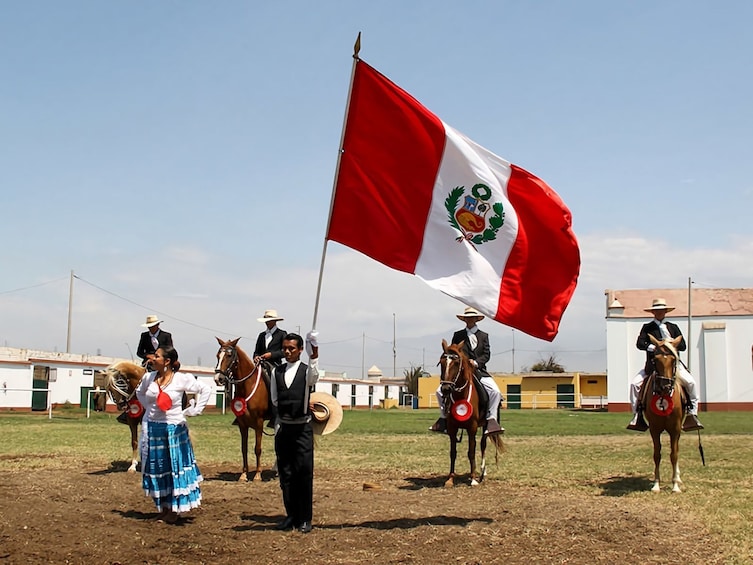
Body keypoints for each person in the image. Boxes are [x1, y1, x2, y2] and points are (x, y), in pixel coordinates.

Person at [135, 345, 212, 524]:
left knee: (173, 468)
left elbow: (205, 389)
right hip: (153, 429)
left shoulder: (181, 379)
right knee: (158, 467)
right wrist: (150, 410)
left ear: (167, 361)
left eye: (157, 356)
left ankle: (174, 510)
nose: (153, 358)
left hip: (174, 430)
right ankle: (163, 507)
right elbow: (139, 393)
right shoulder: (148, 378)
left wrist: (195, 410)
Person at [627, 298, 703, 432]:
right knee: (634, 384)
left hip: (673, 365)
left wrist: (669, 345)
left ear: (665, 311)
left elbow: (683, 346)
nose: (659, 313)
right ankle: (637, 415)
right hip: (653, 365)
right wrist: (654, 348)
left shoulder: (673, 327)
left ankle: (692, 413)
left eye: (661, 310)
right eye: (656, 311)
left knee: (691, 383)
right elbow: (640, 343)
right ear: (653, 312)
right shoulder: (647, 327)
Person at [271, 331, 319, 534]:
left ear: (300, 350)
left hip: (302, 430)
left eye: (292, 348)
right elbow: (274, 399)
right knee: (286, 474)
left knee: (304, 474)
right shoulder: (276, 372)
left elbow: (314, 375)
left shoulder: (307, 372)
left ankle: (305, 519)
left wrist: (314, 351)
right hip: (284, 429)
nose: (288, 351)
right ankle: (290, 515)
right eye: (285, 348)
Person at [430, 306, 503, 435]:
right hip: (461, 372)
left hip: (479, 371)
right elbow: (452, 353)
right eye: (467, 318)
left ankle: (491, 419)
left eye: (472, 318)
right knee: (439, 391)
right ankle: (443, 419)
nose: (470, 320)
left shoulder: (483, 336)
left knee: (495, 392)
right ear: (464, 320)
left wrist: (476, 363)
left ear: (476, 319)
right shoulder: (458, 335)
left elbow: (486, 355)